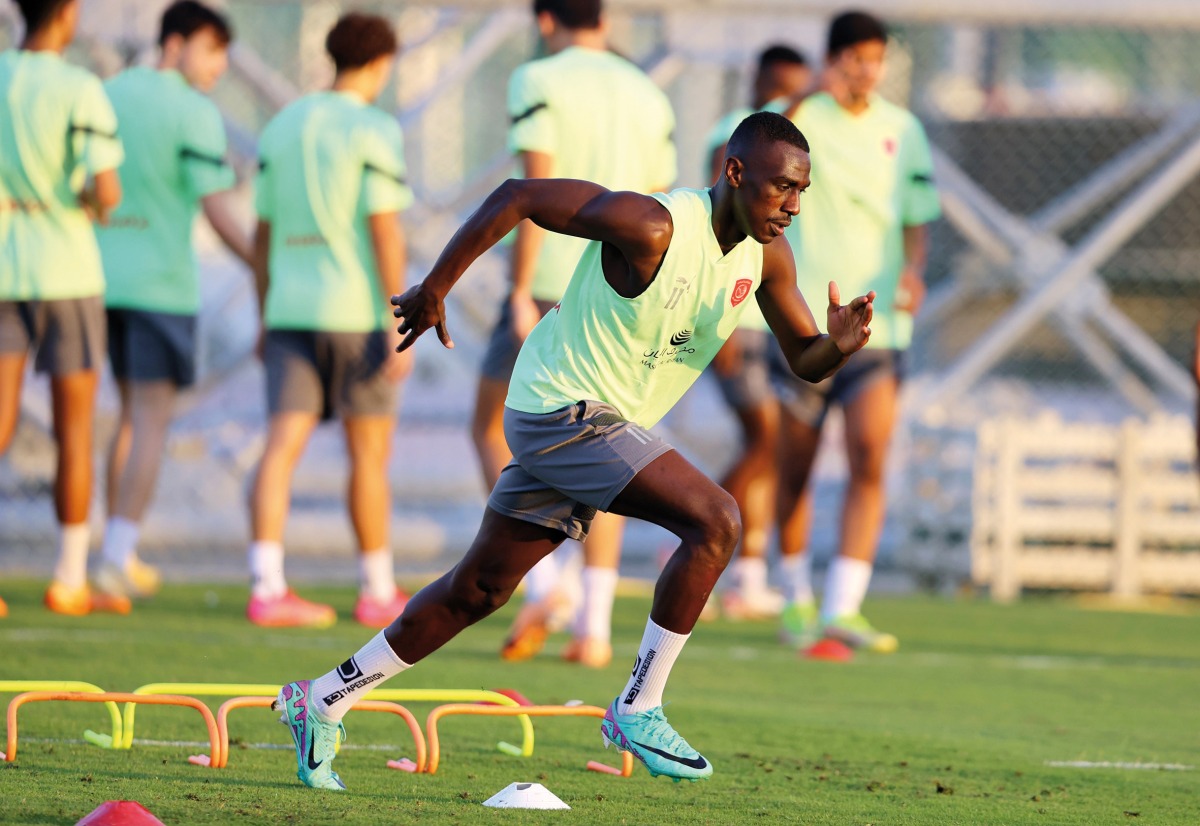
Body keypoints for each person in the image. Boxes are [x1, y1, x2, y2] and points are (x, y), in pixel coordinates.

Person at [272, 111, 875, 790]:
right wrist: (436, 287)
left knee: (479, 589)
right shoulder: (653, 226)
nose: (793, 206)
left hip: (597, 425)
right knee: (717, 519)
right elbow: (517, 195)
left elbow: (805, 358)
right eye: (779, 188)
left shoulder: (767, 256)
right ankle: (638, 706)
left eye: (801, 191)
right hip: (560, 410)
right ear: (735, 173)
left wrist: (839, 346)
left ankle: (320, 699)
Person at [472, 0, 677, 668]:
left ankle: (549, 583)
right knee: (612, 452)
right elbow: (659, 199)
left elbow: (533, 186)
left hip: (553, 283)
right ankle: (593, 625)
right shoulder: (647, 92)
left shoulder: (538, 79)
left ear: (545, 19)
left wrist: (517, 290)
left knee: (487, 424)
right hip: (626, 289)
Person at [773, 11, 940, 652]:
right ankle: (793, 597)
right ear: (834, 58)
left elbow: (917, 216)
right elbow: (746, 145)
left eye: (877, 58)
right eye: (856, 57)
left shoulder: (905, 130)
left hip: (879, 329)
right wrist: (809, 88)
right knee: (797, 468)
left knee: (870, 455)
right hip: (805, 322)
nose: (867, 70)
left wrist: (915, 271)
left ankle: (845, 604)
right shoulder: (805, 117)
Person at [247, 12, 414, 629]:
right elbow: (384, 229)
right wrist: (404, 317)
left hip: (289, 308)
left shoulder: (283, 124)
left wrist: (264, 309)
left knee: (280, 447)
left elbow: (260, 234)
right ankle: (375, 588)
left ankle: (266, 585)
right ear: (380, 62)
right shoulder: (374, 129)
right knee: (369, 456)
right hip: (358, 314)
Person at [94, 0, 252, 606]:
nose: (218, 67)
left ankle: (114, 551)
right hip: (160, 285)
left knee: (128, 418)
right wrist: (264, 264)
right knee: (148, 419)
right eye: (212, 51)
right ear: (178, 42)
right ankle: (113, 556)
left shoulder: (109, 93)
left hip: (101, 283)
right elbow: (218, 209)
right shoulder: (193, 111)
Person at [0, 0, 125, 616]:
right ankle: (70, 578)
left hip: (3, 263)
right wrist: (79, 196)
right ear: (68, 15)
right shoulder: (80, 87)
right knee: (74, 428)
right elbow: (106, 192)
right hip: (68, 269)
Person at [703, 44, 809, 620]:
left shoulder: (792, 157)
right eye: (780, 90)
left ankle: (747, 571)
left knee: (771, 446)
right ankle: (699, 521)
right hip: (734, 319)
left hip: (766, 313)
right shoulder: (733, 136)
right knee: (764, 439)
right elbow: (713, 220)